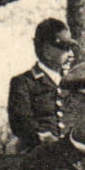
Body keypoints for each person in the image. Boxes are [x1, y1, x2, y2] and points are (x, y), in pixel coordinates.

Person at [7, 18, 76, 150]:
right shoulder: (24, 82)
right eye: (66, 49)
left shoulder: (72, 84)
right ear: (47, 50)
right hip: (37, 155)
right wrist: (42, 137)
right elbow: (21, 123)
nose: (71, 55)